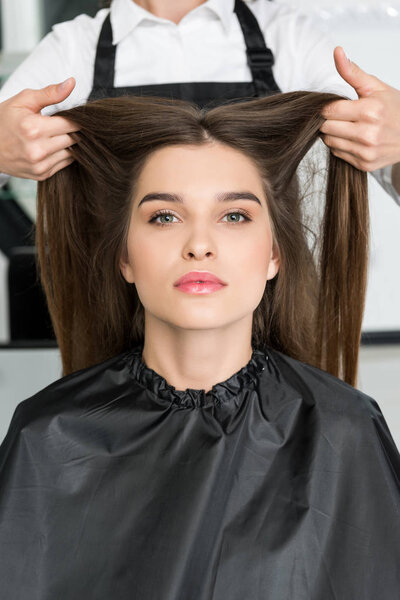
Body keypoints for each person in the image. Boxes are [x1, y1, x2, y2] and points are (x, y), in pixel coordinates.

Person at [0, 92, 399, 598]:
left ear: (275, 254)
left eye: (234, 216)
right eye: (164, 216)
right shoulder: (48, 435)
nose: (199, 244)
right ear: (124, 256)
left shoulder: (345, 430)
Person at [0, 0, 399, 203]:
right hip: (111, 313)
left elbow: (386, 161)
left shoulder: (288, 38)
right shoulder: (72, 47)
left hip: (269, 312)